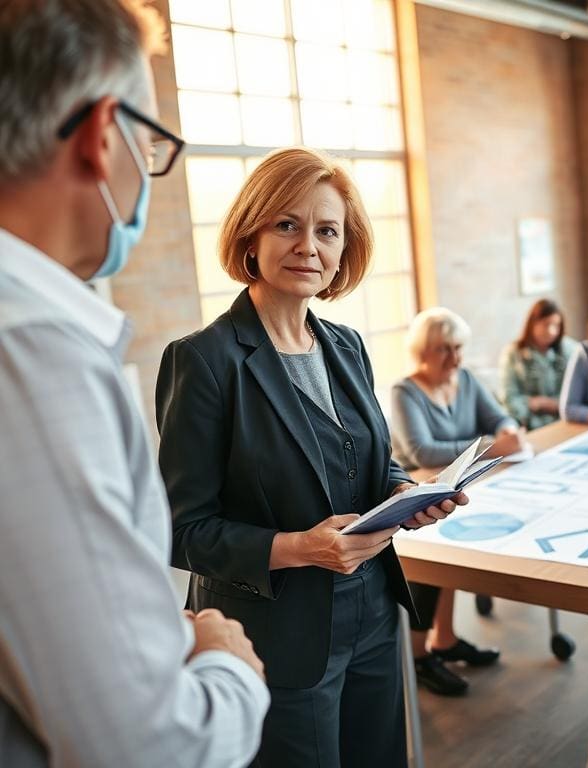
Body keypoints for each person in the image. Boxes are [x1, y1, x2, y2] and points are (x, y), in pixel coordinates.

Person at [0, 2, 269, 766]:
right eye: (152, 143)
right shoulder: (32, 361)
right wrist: (226, 663)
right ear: (101, 133)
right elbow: (149, 745)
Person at [156, 148, 465, 767]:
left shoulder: (346, 346)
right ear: (251, 232)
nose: (308, 246)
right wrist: (301, 546)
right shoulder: (205, 360)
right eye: (286, 225)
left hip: (375, 616)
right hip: (275, 633)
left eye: (327, 230)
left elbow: (369, 467)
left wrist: (407, 495)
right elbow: (180, 531)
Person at [392, 307, 523, 695]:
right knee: (436, 558)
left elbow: (499, 416)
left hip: (457, 488)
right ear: (424, 351)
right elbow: (422, 451)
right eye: (445, 349)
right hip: (413, 495)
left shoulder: (464, 379)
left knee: (456, 549)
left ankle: (444, 640)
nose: (456, 358)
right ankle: (418, 657)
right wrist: (489, 445)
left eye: (458, 348)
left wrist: (507, 430)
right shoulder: (405, 391)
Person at [499, 298, 578, 430]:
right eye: (546, 325)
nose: (551, 331)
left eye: (556, 326)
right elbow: (509, 398)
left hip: (565, 422)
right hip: (527, 426)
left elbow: (575, 398)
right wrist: (527, 407)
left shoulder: (571, 350)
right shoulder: (512, 353)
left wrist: (543, 403)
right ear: (533, 324)